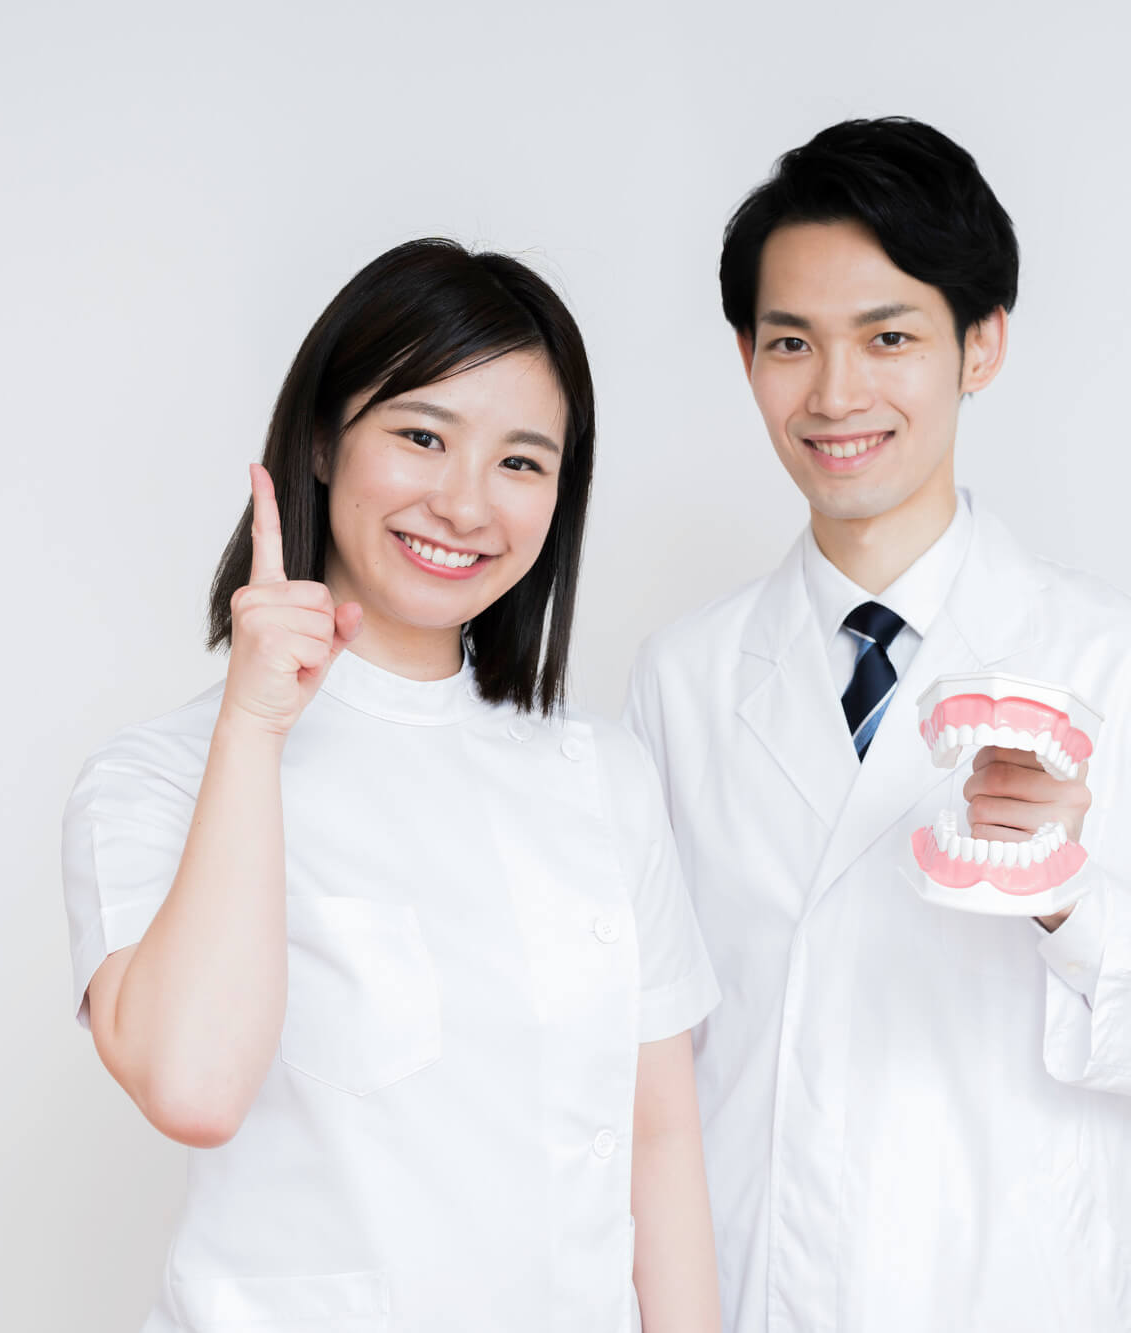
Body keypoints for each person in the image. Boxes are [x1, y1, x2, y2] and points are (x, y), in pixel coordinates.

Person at [622, 119, 1131, 1332]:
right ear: (745, 358)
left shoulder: (1123, 662)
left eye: (887, 337)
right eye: (791, 342)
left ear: (979, 343)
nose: (834, 394)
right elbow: (643, 1057)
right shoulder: (681, 679)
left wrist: (1068, 901)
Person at [61, 238, 721, 1333]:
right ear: (324, 439)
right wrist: (254, 725)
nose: (464, 504)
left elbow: (658, 1137)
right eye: (422, 437)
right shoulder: (159, 779)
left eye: (521, 463)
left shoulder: (603, 774)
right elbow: (193, 1088)